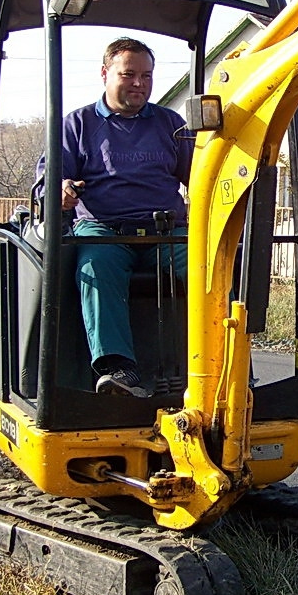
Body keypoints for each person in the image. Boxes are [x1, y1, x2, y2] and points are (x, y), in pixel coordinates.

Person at [44, 36, 193, 397]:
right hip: (104, 230)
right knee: (95, 268)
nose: (139, 83)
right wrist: (60, 189)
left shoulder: (170, 123)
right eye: (129, 75)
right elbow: (48, 178)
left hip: (166, 231)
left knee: (209, 269)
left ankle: (226, 363)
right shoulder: (76, 125)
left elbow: (201, 176)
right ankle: (118, 370)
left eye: (146, 75)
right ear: (105, 73)